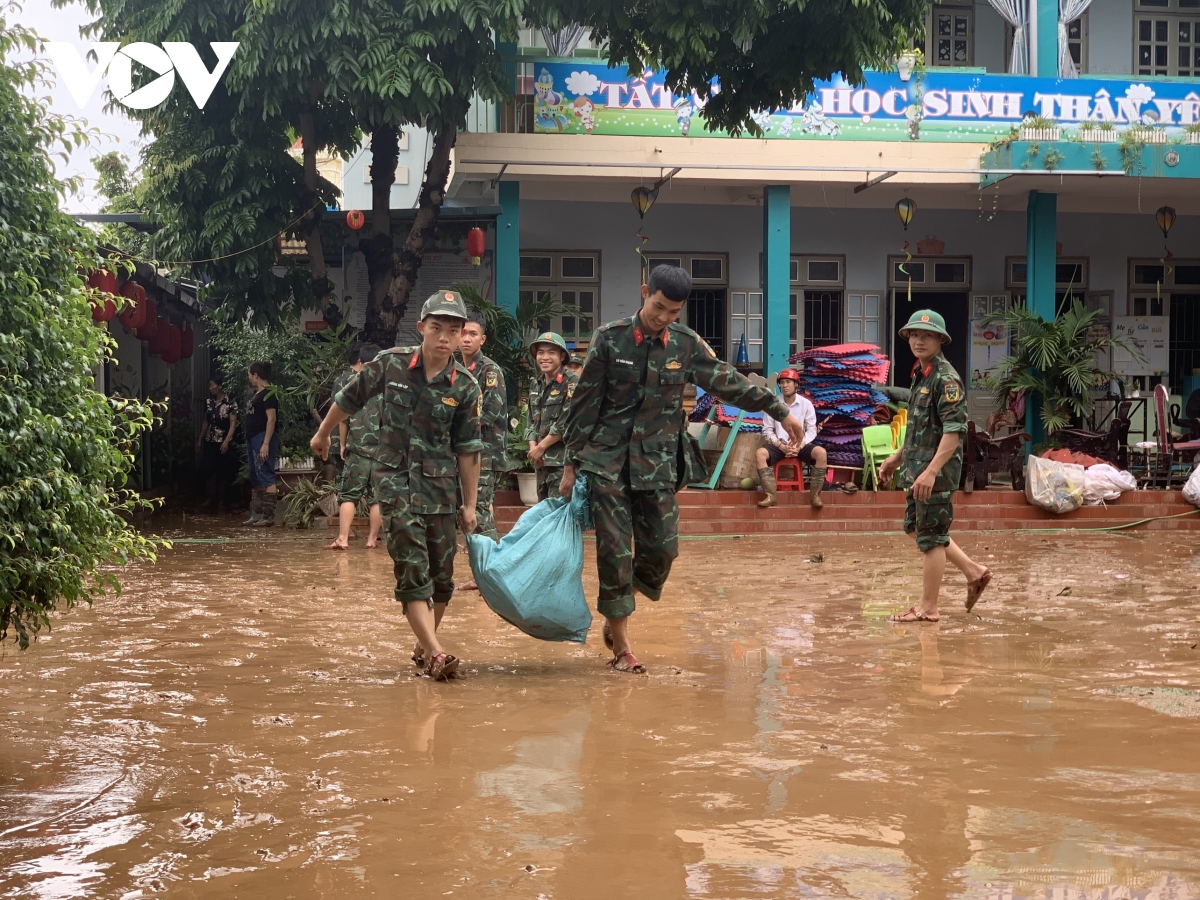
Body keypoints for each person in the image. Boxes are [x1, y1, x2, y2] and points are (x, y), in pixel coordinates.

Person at [560, 265, 806, 674]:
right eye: (659, 307)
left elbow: (731, 383)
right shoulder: (610, 338)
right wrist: (571, 465)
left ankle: (618, 609)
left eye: (674, 312)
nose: (664, 318)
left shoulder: (686, 345)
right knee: (614, 553)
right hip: (608, 462)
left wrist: (780, 410)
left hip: (657, 462)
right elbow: (584, 403)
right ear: (645, 293)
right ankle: (621, 642)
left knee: (663, 550)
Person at [310, 291, 483, 681]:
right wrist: (322, 435)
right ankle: (438, 653)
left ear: (460, 337)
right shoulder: (392, 365)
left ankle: (424, 648)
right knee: (412, 568)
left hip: (440, 490)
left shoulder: (466, 386)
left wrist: (470, 505)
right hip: (395, 482)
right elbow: (348, 399)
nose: (444, 337)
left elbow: (469, 450)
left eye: (453, 331)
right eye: (436, 328)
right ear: (422, 327)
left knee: (442, 580)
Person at [878, 310, 993, 623]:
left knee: (930, 538)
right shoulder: (922, 373)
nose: (918, 340)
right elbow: (920, 427)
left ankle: (928, 608)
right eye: (914, 335)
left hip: (936, 473)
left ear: (941, 339)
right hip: (918, 468)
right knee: (917, 528)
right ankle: (974, 571)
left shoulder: (946, 378)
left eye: (926, 335)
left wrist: (931, 472)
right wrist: (896, 457)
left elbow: (953, 432)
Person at [326, 343, 385, 550]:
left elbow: (343, 419)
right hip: (379, 452)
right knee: (376, 498)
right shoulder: (385, 389)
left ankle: (343, 538)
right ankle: (371, 539)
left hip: (358, 450)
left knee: (349, 495)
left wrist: (342, 444)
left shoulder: (353, 385)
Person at [458, 313, 508, 550]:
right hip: (465, 451)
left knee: (478, 509)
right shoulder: (456, 370)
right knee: (469, 509)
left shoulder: (489, 370)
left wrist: (455, 425)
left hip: (485, 453)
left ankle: (491, 570)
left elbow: (489, 413)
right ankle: (481, 569)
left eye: (472, 334)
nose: (466, 338)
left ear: (483, 339)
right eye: (463, 333)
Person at [755, 367, 828, 509]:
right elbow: (767, 431)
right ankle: (771, 496)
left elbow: (811, 430)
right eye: (782, 383)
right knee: (760, 454)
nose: (784, 385)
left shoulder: (806, 404)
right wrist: (780, 446)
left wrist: (799, 446)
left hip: (800, 445)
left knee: (821, 453)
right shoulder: (773, 404)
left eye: (788, 382)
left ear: (796, 385)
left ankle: (815, 496)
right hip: (779, 445)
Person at [525, 331, 577, 501]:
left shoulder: (571, 382)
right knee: (543, 515)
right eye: (541, 352)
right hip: (540, 463)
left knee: (558, 514)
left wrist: (540, 448)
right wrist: (534, 450)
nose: (544, 357)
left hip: (561, 464)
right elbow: (531, 421)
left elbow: (566, 422)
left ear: (562, 356)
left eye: (551, 352)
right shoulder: (536, 383)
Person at [244, 361, 280, 526]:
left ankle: (267, 516)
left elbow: (271, 419)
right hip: (253, 437)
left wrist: (265, 443)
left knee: (265, 473)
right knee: (255, 476)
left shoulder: (269, 394)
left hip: (262, 436)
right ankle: (256, 514)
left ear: (256, 375)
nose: (249, 378)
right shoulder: (258, 393)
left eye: (250, 375)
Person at [196, 374, 239, 510]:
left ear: (220, 386)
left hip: (223, 440)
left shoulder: (230, 402)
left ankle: (223, 499)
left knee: (223, 470)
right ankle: (211, 497)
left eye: (212, 385)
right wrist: (200, 440)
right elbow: (205, 421)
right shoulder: (209, 402)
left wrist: (226, 442)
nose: (210, 388)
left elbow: (233, 424)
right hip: (210, 439)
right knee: (208, 467)